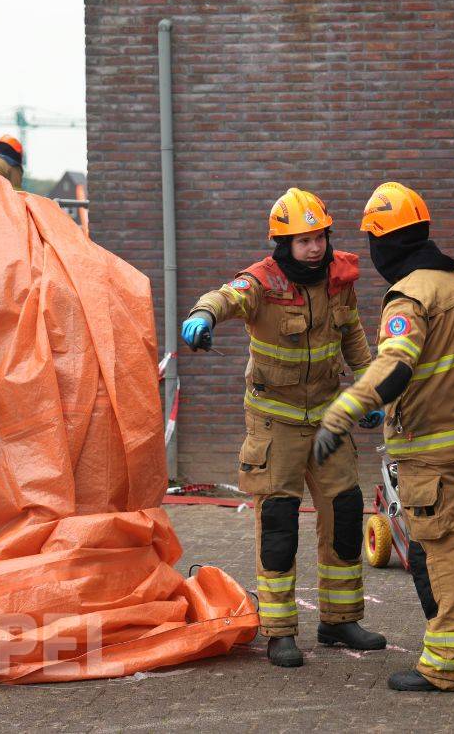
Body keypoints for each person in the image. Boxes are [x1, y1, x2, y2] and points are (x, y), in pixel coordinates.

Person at [181, 188, 387, 668]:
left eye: (319, 238)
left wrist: (370, 389)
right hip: (276, 422)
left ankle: (339, 620)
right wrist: (203, 315)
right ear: (283, 244)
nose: (314, 248)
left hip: (329, 420)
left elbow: (353, 336)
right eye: (303, 241)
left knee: (344, 513)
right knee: (278, 525)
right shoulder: (262, 282)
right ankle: (279, 631)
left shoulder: (339, 280)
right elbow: (226, 297)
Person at [314, 182, 454, 693]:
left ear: (385, 243)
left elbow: (395, 366)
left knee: (441, 552)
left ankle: (447, 663)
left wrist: (343, 412)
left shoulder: (410, 296)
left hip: (429, 449)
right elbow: (437, 366)